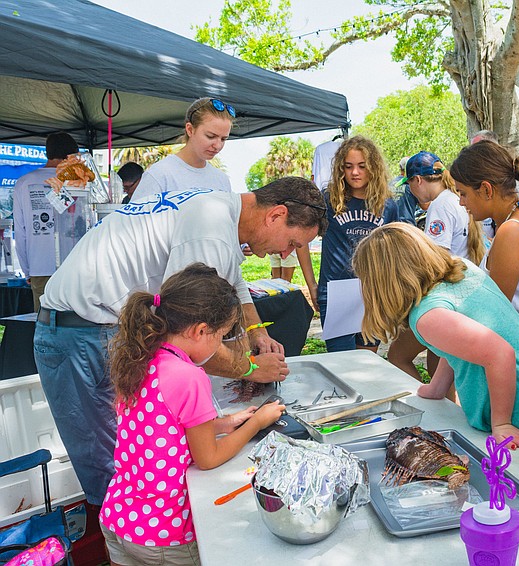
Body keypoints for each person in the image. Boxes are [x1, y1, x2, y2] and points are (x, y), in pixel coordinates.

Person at [34, 176, 326, 506]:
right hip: (79, 337)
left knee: (143, 455)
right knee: (116, 473)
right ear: (275, 215)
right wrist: (251, 368)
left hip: (93, 327)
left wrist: (256, 330)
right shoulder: (211, 229)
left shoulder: (219, 208)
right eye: (292, 243)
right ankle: (127, 545)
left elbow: (232, 279)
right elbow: (189, 333)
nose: (287, 253)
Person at [99, 263, 286, 565]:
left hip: (119, 517)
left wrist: (225, 423)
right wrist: (258, 423)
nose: (219, 345)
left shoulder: (140, 356)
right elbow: (208, 458)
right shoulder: (189, 376)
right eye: (221, 336)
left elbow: (161, 428)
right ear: (200, 330)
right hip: (164, 533)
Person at [353, 222, 519, 453]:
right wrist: (437, 387)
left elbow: (500, 353)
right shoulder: (463, 271)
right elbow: (458, 343)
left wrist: (502, 423)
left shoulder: (427, 316)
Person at [450, 141, 519, 365]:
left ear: (486, 189)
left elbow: (495, 313)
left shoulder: (512, 231)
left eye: (463, 193)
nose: (461, 202)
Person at [386, 151, 485, 380]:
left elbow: (439, 261)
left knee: (398, 356)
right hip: (463, 294)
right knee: (442, 367)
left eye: (409, 183)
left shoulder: (439, 206)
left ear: (418, 180)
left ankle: (433, 408)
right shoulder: (455, 199)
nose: (410, 190)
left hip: (445, 297)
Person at [308, 135, 398, 352]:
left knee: (367, 364)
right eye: (348, 167)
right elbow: (300, 240)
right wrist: (312, 284)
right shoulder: (328, 200)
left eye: (361, 166)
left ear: (373, 167)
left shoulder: (388, 205)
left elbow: (394, 252)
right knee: (342, 364)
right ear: (341, 168)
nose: (355, 172)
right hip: (335, 290)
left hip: (372, 290)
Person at [12, 132, 80, 311]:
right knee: (73, 322)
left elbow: (20, 231)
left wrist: (27, 270)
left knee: (43, 324)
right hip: (74, 267)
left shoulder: (23, 183)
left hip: (38, 266)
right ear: (69, 156)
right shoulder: (76, 183)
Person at [131, 97, 234, 202]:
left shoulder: (222, 180)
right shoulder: (159, 175)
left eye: (223, 139)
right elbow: (133, 217)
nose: (217, 145)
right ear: (190, 130)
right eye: (210, 136)